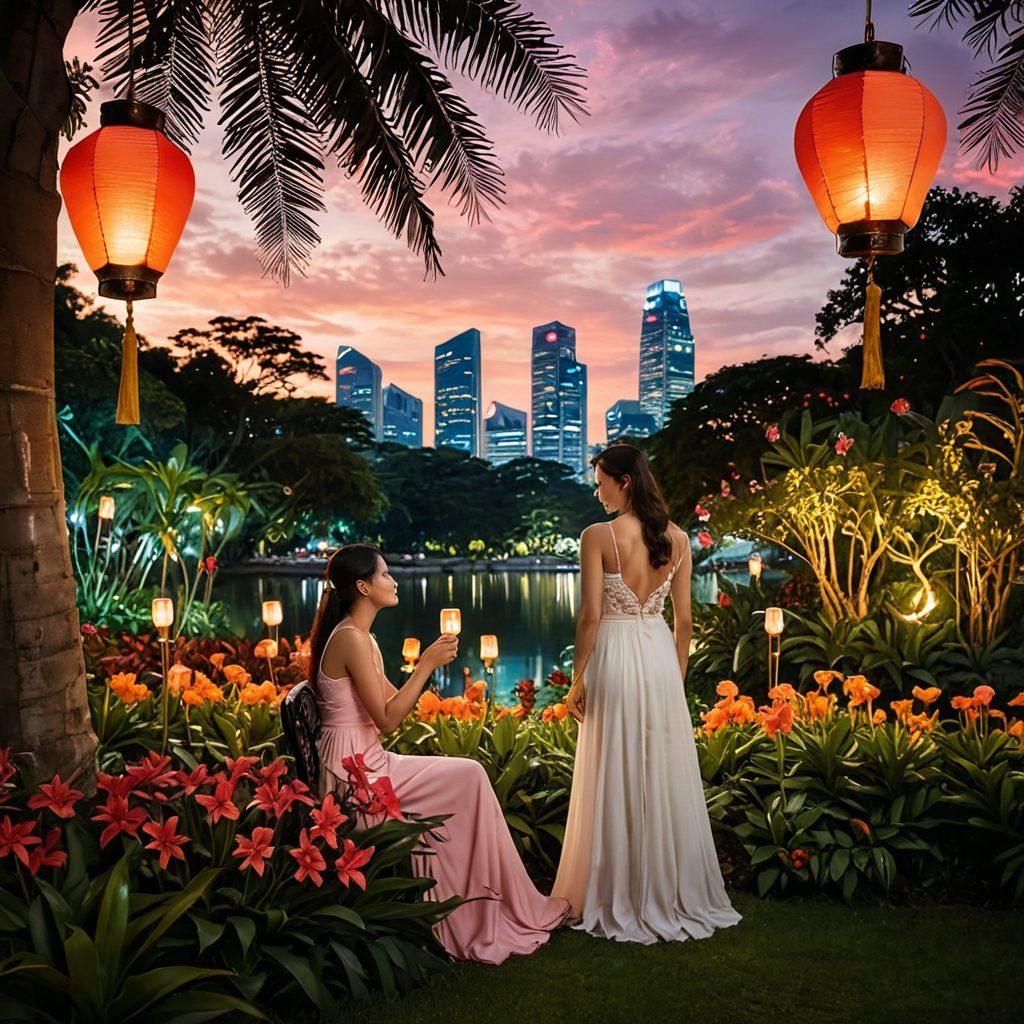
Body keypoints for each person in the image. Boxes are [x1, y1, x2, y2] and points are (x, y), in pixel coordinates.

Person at [309, 544, 570, 964]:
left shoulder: (362, 637)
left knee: (470, 775)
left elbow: (391, 704)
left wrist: (439, 699)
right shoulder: (350, 639)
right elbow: (389, 720)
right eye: (385, 575)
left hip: (367, 761)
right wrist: (426, 664)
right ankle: (463, 918)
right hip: (355, 777)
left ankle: (479, 907)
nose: (393, 581)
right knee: (469, 779)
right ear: (362, 586)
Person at [551, 443, 741, 943]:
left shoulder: (598, 536)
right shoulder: (677, 539)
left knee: (611, 766)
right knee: (658, 770)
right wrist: (674, 683)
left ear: (625, 481)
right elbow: (685, 623)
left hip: (613, 654)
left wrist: (577, 678)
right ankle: (666, 888)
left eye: (601, 481)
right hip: (657, 658)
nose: (597, 491)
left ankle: (614, 889)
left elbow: (590, 616)